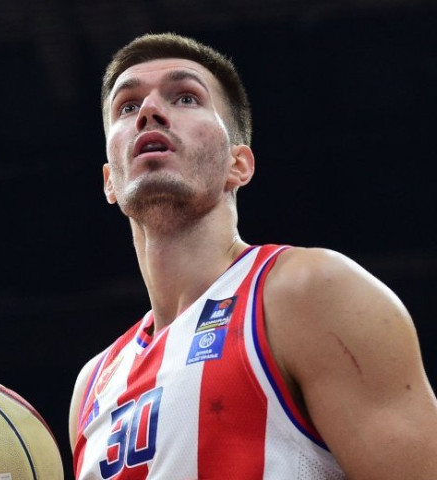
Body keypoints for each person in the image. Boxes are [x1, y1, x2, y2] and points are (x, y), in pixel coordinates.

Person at [68, 32, 437, 479]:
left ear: (237, 164)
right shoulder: (94, 384)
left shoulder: (310, 291)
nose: (149, 111)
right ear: (110, 180)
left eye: (186, 98)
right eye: (127, 107)